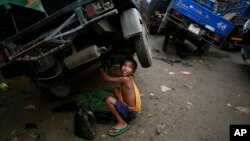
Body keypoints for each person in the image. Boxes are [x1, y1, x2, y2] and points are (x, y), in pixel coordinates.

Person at [99, 57, 141, 136]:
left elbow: (107, 78)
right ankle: (121, 105)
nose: (126, 68)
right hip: (132, 111)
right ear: (121, 66)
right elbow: (115, 76)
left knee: (108, 100)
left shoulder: (125, 79)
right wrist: (111, 69)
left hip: (129, 113)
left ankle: (122, 123)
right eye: (124, 65)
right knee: (116, 89)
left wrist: (100, 68)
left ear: (133, 71)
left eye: (129, 67)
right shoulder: (129, 77)